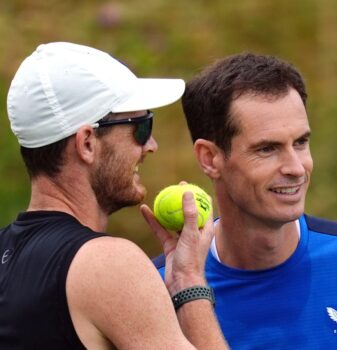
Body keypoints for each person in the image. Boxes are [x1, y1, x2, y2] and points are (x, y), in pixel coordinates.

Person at [0, 42, 228, 349]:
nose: (151, 145)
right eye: (142, 127)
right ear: (87, 144)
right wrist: (189, 281)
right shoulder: (109, 264)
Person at [155, 53, 337, 349]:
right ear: (210, 158)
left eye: (300, 142)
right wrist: (187, 287)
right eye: (268, 149)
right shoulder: (156, 291)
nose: (296, 168)